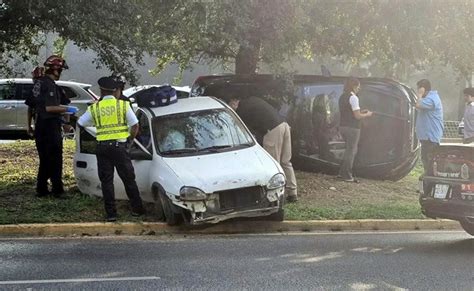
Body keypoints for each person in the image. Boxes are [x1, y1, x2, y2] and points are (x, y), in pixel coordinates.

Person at [77, 76, 145, 222]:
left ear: (101, 91)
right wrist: (130, 140)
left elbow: (80, 123)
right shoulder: (123, 106)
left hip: (102, 148)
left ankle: (111, 214)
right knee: (128, 179)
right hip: (120, 147)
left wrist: (96, 131)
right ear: (115, 91)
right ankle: (137, 209)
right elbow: (135, 125)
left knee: (107, 181)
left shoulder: (94, 108)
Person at [224, 96, 298, 202]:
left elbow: (245, 130)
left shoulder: (242, 109)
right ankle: (292, 193)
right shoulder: (252, 100)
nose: (231, 108)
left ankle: (274, 196)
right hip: (284, 125)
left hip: (272, 130)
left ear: (234, 101)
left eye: (230, 104)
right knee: (286, 161)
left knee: (272, 164)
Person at [25, 55, 78, 197]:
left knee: (45, 159)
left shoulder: (38, 84)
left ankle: (41, 189)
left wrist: (29, 125)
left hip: (40, 126)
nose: (60, 73)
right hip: (49, 126)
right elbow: (49, 108)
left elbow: (32, 105)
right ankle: (58, 190)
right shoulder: (49, 84)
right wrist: (67, 110)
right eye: (60, 70)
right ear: (55, 69)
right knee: (55, 158)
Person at [338, 77, 373, 183]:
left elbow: (349, 112)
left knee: (348, 150)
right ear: (353, 86)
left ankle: (341, 173)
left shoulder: (342, 97)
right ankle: (347, 176)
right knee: (351, 151)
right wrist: (367, 114)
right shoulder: (354, 98)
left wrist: (361, 111)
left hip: (343, 126)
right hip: (352, 128)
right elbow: (357, 116)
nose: (359, 88)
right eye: (358, 87)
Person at [415, 79, 444, 177]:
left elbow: (418, 104)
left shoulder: (432, 99)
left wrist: (419, 94)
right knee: (426, 160)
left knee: (430, 161)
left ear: (423, 89)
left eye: (419, 89)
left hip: (430, 137)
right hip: (426, 137)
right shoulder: (428, 98)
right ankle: (427, 181)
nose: (418, 91)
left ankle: (431, 181)